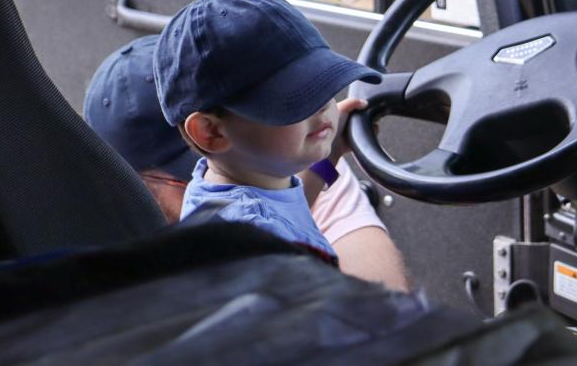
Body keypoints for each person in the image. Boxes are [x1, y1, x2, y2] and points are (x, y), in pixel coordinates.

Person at [85, 26, 408, 290]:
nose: (320, 111)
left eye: (321, 96)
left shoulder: (293, 147)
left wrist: (331, 156)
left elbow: (287, 203)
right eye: (186, 174)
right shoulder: (259, 163)